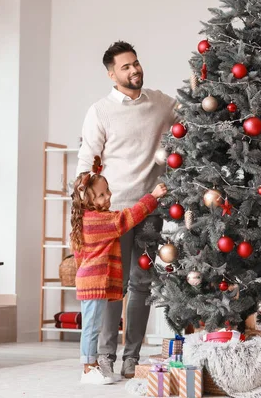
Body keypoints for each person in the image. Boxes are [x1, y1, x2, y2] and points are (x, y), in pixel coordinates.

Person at [76, 40, 177, 379]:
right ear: (111, 74)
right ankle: (105, 356)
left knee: (141, 284)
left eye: (136, 63)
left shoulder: (160, 103)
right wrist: (85, 208)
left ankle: (131, 356)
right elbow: (86, 162)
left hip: (149, 208)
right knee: (110, 287)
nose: (134, 70)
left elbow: (191, 118)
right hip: (112, 214)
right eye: (125, 66)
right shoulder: (100, 111)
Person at [70, 156, 167, 384]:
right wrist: (151, 197)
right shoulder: (101, 221)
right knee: (92, 329)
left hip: (89, 282)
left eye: (107, 191)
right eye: (102, 195)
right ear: (88, 201)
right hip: (94, 284)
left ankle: (94, 366)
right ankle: (88, 369)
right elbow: (126, 218)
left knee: (92, 326)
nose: (109, 196)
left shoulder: (86, 219)